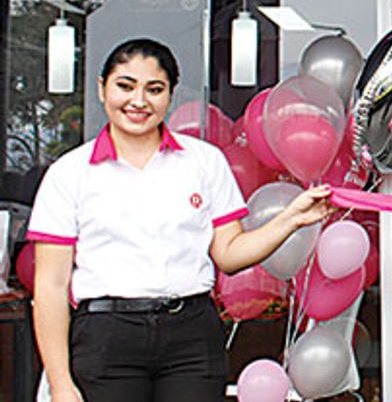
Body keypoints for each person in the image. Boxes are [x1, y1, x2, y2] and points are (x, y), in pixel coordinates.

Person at [27, 38, 333, 402]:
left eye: (154, 89)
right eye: (125, 86)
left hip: (190, 335)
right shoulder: (70, 173)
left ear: (170, 94)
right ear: (101, 88)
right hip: (107, 336)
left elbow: (230, 254)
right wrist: (61, 384)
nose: (138, 101)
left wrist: (291, 219)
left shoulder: (204, 162)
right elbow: (50, 286)